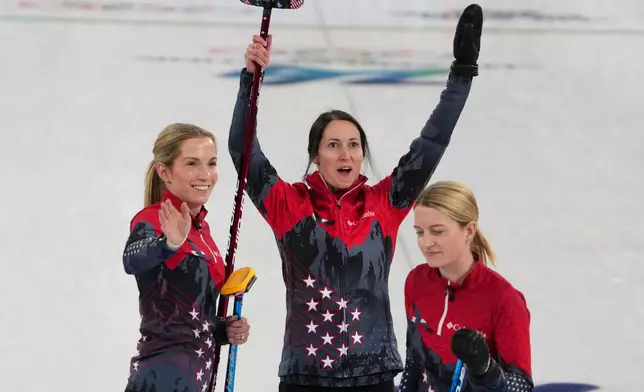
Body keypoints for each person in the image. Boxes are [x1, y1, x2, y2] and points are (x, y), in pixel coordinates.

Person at [229, 4, 483, 391]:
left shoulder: (386, 202)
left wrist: (461, 76)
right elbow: (243, 150)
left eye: (353, 145)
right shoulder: (289, 205)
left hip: (375, 376)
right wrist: (250, 80)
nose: (346, 154)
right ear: (315, 155)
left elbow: (431, 143)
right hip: (305, 378)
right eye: (333, 145)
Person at [122, 123, 252, 392]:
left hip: (196, 378)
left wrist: (222, 330)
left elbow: (191, 318)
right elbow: (131, 259)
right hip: (162, 377)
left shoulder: (203, 232)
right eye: (192, 163)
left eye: (212, 163)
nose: (205, 174)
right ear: (165, 171)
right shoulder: (154, 220)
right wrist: (168, 243)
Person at [398, 181, 533, 392]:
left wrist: (486, 370)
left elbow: (522, 385)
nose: (426, 242)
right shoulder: (416, 281)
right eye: (420, 232)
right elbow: (414, 363)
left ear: (468, 231)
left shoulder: (504, 299)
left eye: (437, 231)